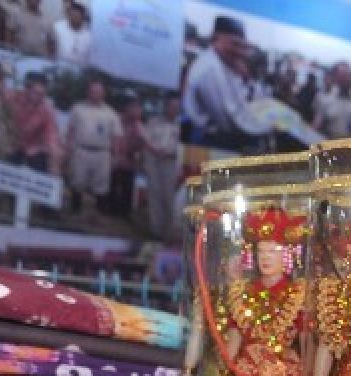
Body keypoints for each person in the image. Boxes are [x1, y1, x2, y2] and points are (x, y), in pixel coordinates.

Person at [181, 15, 271, 150]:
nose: (239, 51)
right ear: (215, 39)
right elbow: (229, 122)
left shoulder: (227, 64)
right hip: (213, 142)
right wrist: (267, 124)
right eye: (234, 44)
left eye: (242, 46)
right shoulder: (210, 69)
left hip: (224, 139)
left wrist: (246, 78)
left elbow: (244, 99)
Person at [65, 78, 120, 214]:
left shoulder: (111, 113)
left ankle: (99, 214)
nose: (96, 94)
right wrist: (68, 149)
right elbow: (70, 130)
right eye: (93, 91)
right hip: (81, 150)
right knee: (77, 181)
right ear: (88, 92)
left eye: (99, 91)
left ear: (103, 94)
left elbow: (117, 136)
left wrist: (116, 155)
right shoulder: (77, 108)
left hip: (102, 153)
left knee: (101, 184)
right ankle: (75, 210)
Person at [142, 94, 182, 240]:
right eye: (171, 106)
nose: (173, 109)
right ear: (166, 107)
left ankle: (169, 231)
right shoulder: (153, 122)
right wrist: (155, 150)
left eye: (176, 107)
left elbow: (183, 148)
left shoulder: (181, 127)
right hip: (154, 162)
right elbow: (146, 139)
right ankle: (155, 230)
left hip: (171, 164)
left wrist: (170, 153)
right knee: (154, 195)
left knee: (169, 197)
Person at [6, 71, 59, 174]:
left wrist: (54, 156)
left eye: (42, 94)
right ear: (27, 88)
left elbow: (51, 135)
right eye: (36, 92)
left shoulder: (47, 110)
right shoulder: (14, 97)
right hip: (13, 145)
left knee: (40, 169)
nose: (39, 96)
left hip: (34, 149)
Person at [105, 94, 145, 217]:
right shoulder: (115, 120)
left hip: (129, 161)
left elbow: (140, 145)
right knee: (111, 185)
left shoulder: (139, 126)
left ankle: (124, 213)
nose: (136, 111)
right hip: (113, 158)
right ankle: (108, 210)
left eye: (138, 108)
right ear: (127, 108)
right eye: (133, 108)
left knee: (128, 187)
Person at [49, 1, 91, 66]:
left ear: (83, 16)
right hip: (59, 67)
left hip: (79, 71)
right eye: (72, 13)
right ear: (69, 14)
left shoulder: (89, 36)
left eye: (78, 13)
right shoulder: (57, 27)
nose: (75, 16)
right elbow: (50, 48)